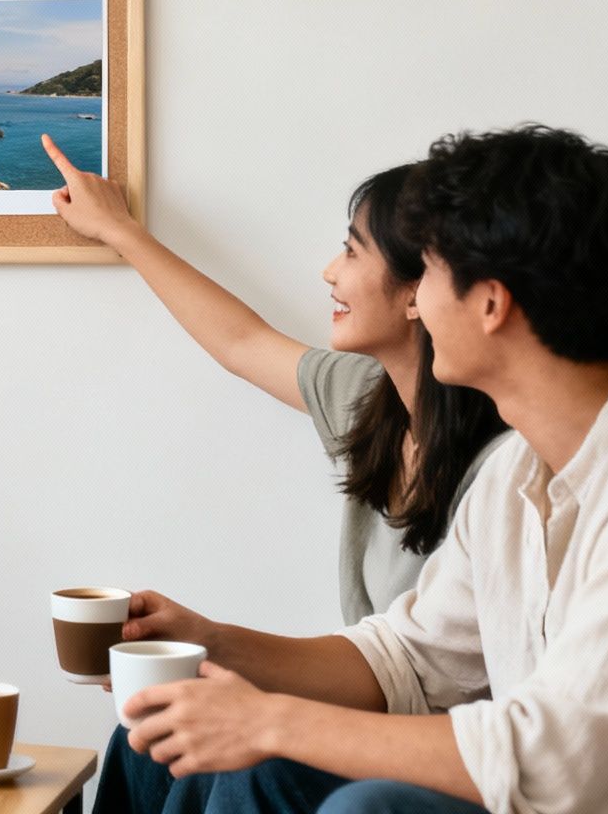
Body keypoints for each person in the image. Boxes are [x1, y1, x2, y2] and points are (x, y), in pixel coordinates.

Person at [99, 125, 608, 813]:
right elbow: (409, 660)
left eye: (431, 273)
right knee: (164, 741)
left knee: (365, 806)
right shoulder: (521, 470)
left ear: (489, 303)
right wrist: (211, 647)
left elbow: (560, 764)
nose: (416, 296)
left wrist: (269, 722)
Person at [43, 134, 510, 631]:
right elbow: (241, 342)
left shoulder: (505, 470)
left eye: (352, 253)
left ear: (422, 290)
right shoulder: (369, 395)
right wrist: (122, 232)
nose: (329, 272)